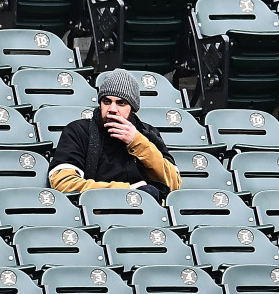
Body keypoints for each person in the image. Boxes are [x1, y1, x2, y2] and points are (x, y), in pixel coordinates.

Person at [48, 69, 181, 201]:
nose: (112, 109)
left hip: (147, 212)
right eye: (106, 101)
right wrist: (129, 192)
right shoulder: (78, 131)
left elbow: (173, 184)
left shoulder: (148, 134)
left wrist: (137, 142)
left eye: (121, 103)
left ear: (133, 109)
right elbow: (63, 183)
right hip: (97, 211)